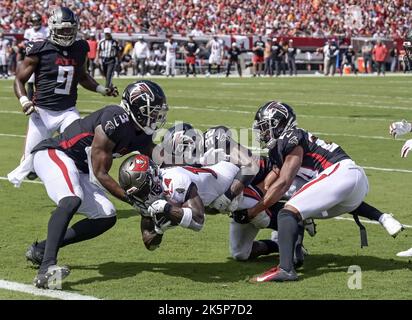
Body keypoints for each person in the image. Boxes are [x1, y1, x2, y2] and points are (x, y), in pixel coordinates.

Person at [8, 80, 169, 288]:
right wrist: (135, 202)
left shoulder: (140, 132)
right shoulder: (115, 118)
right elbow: (101, 174)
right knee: (71, 199)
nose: (156, 116)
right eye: (151, 111)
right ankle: (46, 269)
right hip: (53, 153)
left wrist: (193, 169)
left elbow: (158, 157)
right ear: (136, 108)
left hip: (80, 168)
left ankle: (41, 250)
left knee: (106, 215)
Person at [247, 101, 397, 281]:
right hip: (351, 188)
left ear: (278, 123)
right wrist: (246, 197)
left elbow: (283, 182)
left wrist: (255, 210)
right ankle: (295, 254)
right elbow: (271, 182)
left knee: (287, 212)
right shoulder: (280, 147)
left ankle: (285, 269)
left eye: (264, 127)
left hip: (341, 173)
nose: (262, 133)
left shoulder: (290, 137)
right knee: (296, 201)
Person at [13, 7, 118, 169]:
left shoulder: (79, 48)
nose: (67, 33)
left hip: (68, 112)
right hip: (42, 112)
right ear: (53, 28)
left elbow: (82, 76)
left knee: (80, 152)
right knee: (29, 166)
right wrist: (24, 100)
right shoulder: (40, 49)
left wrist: (102, 89)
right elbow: (19, 80)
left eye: (70, 29)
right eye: (64, 29)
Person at [23, 12, 49, 99]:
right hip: (32, 58)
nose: (36, 23)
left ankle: (42, 101)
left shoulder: (46, 30)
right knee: (30, 81)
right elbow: (25, 44)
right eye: (34, 21)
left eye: (37, 21)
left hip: (43, 58)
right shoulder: (28, 31)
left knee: (42, 81)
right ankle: (30, 102)